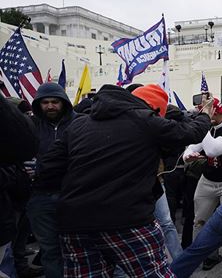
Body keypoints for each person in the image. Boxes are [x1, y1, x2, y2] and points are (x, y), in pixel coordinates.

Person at [34, 84, 212, 277]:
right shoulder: (144, 119)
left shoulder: (79, 124)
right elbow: (190, 132)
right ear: (155, 109)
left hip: (75, 223)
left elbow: (48, 167)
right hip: (126, 220)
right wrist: (205, 115)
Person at [183, 97, 222, 277]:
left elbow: (211, 150)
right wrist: (189, 154)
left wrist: (203, 126)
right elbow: (193, 145)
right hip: (208, 180)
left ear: (217, 114)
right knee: (199, 221)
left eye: (209, 115)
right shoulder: (210, 127)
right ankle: (197, 258)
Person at [26, 82, 77, 278]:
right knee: (50, 249)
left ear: (63, 102)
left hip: (73, 196)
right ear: (38, 104)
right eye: (45, 102)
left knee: (76, 248)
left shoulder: (80, 123)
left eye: (55, 101)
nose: (50, 106)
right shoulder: (30, 126)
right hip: (41, 197)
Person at [0, 95, 38, 278]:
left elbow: (26, 145)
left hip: (19, 199)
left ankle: (21, 266)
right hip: (12, 201)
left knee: (18, 240)